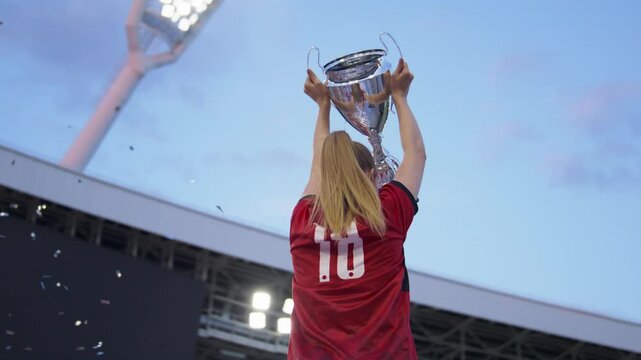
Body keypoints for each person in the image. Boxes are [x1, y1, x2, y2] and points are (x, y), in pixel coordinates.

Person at [289, 58, 426, 359]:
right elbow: (415, 154)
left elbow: (318, 165)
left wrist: (323, 107)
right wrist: (400, 97)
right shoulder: (387, 214)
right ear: (372, 174)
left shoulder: (303, 221)